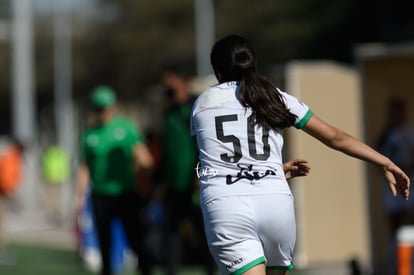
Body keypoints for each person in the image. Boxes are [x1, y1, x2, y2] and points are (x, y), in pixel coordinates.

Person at [190, 34, 410, 275]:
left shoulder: (203, 103)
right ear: (253, 63)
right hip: (275, 201)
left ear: (217, 71)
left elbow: (214, 159)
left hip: (227, 204)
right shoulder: (274, 97)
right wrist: (384, 161)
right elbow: (335, 137)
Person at [74, 85, 156, 275]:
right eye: (98, 108)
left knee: (136, 239)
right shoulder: (90, 135)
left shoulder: (125, 129)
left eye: (105, 108)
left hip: (125, 193)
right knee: (105, 244)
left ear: (113, 107)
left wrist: (147, 170)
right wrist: (78, 198)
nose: (102, 112)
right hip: (100, 195)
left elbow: (142, 156)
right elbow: (85, 168)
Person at [160, 65, 216, 275]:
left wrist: (198, 173)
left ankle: (211, 271)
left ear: (181, 81)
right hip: (173, 183)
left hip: (194, 182)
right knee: (171, 232)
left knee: (203, 232)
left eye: (170, 81)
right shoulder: (169, 111)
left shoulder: (195, 107)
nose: (166, 87)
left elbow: (203, 143)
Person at [377, 97, 414, 275]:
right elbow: (378, 160)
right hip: (392, 190)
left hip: (410, 187)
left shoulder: (410, 133)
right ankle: (398, 267)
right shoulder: (386, 134)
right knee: (396, 229)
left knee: (409, 225)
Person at [0, 137, 24, 265]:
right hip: (2, 194)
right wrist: (10, 192)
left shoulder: (10, 156)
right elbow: (6, 178)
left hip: (3, 193)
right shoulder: (11, 157)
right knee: (2, 224)